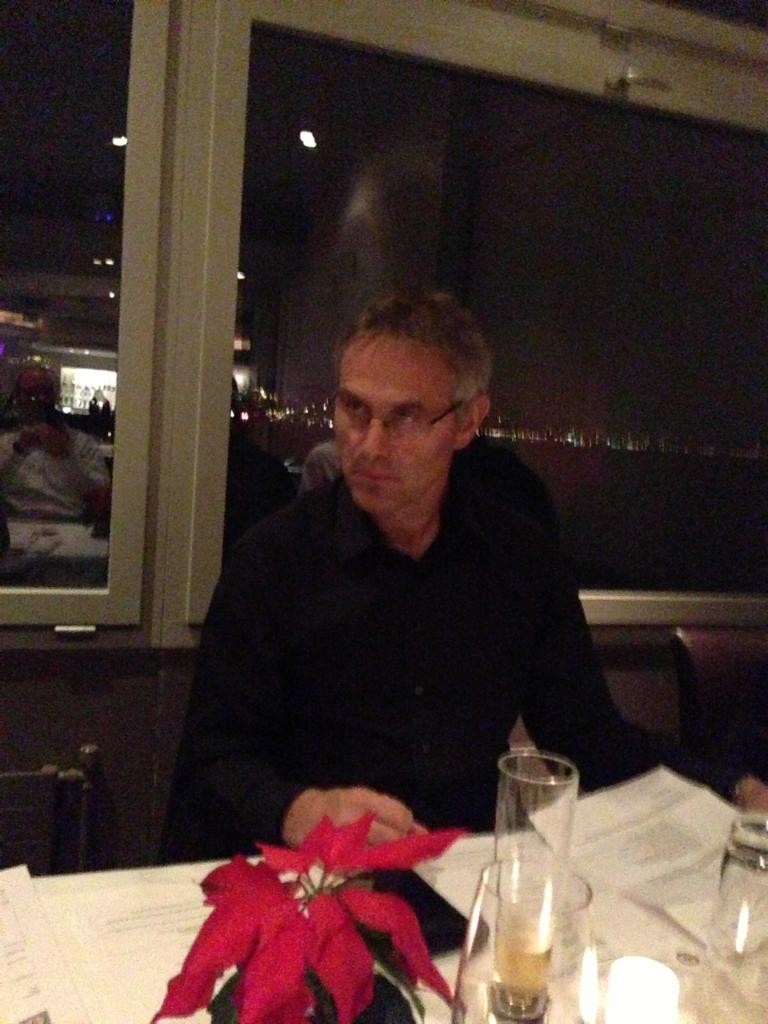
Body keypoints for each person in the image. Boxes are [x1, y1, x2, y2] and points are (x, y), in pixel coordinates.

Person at [163, 290, 768, 862]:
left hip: (469, 870)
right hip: (320, 876)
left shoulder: (520, 560)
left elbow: (589, 736)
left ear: (467, 421)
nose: (368, 444)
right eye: (354, 409)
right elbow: (212, 765)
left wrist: (736, 789)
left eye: (404, 417)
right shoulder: (271, 562)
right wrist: (302, 810)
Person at [0, 366, 110, 521]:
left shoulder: (82, 443)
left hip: (70, 524)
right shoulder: (6, 442)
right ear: (17, 397)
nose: (39, 399)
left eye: (45, 392)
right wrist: (18, 451)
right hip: (15, 522)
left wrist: (65, 455)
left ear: (55, 396)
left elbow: (100, 495)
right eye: (31, 393)